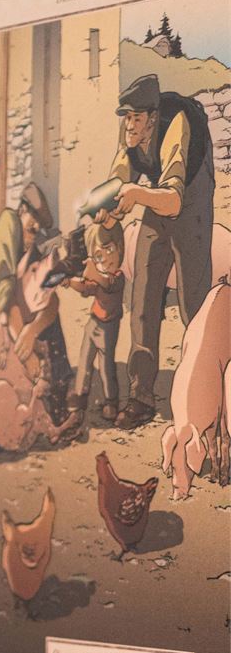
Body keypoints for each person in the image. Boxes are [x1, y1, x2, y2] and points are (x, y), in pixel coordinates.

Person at [105, 73, 214, 427]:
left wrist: (136, 195)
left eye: (136, 118)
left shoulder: (175, 125)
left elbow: (174, 200)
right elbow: (120, 180)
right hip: (158, 196)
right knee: (143, 294)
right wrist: (109, 208)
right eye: (126, 117)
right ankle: (140, 396)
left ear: (152, 118)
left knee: (194, 300)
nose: (129, 125)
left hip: (189, 197)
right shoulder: (130, 132)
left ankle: (208, 394)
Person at [0, 183, 54, 455]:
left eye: (36, 233)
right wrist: (7, 313)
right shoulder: (8, 222)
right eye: (31, 229)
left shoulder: (22, 247)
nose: (31, 238)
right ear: (22, 210)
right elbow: (5, 280)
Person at [65, 220, 126, 430]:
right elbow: (86, 288)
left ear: (120, 248)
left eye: (110, 250)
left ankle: (111, 401)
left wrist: (93, 272)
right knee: (84, 361)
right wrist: (70, 282)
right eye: (99, 256)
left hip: (109, 327)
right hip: (93, 322)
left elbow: (106, 284)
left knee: (106, 367)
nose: (106, 258)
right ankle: (80, 395)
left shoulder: (117, 277)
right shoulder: (98, 276)